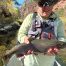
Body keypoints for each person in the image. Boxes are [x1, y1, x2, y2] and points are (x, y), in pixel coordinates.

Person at [7, 0, 65, 66]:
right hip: (29, 62)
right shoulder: (30, 17)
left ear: (54, 4)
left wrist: (56, 48)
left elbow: (62, 38)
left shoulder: (58, 21)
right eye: (42, 3)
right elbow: (21, 34)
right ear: (37, 4)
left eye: (50, 3)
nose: (45, 7)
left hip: (48, 63)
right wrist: (24, 39)